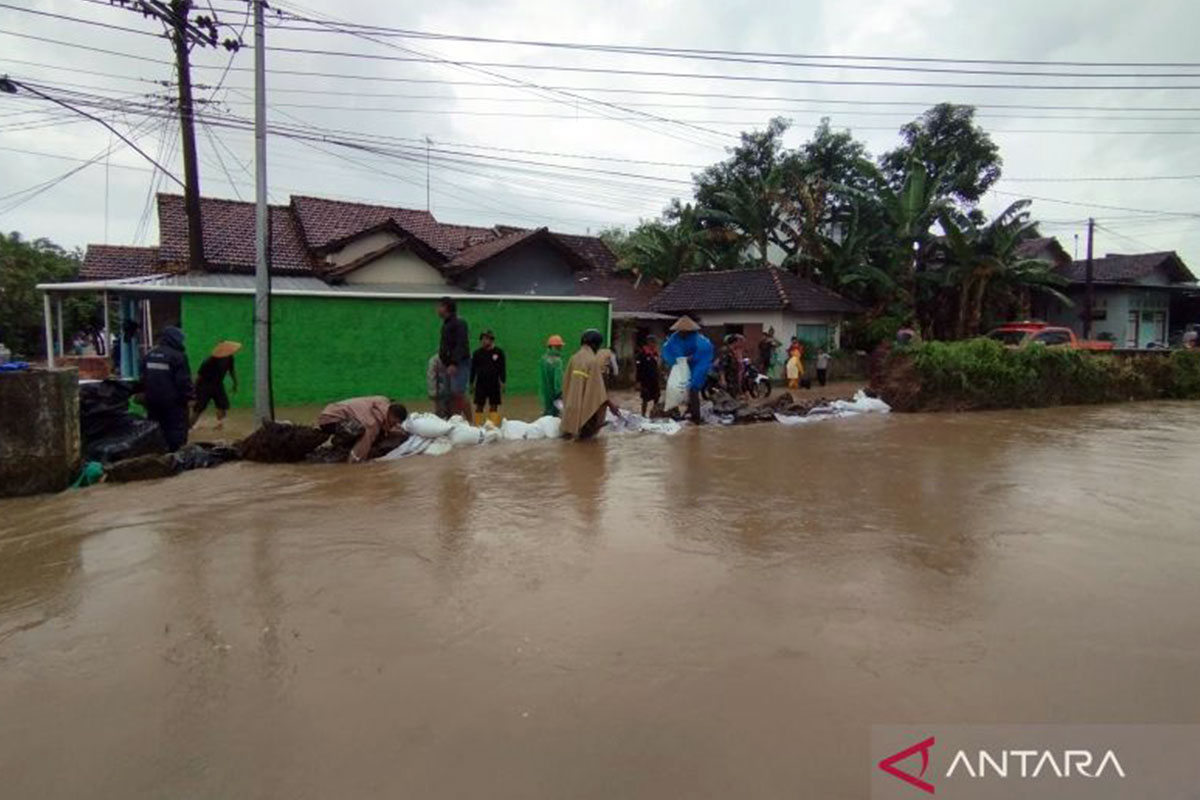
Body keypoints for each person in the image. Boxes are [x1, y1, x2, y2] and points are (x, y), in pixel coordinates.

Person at [141, 325, 193, 452]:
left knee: (156, 429)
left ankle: (157, 455)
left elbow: (143, 378)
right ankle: (175, 458)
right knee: (176, 431)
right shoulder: (178, 356)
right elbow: (183, 382)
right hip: (173, 403)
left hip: (152, 401)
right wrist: (190, 397)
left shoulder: (149, 355)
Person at [317, 396, 408, 463]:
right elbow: (363, 444)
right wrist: (355, 461)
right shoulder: (371, 423)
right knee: (359, 429)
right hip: (329, 419)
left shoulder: (382, 401)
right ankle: (339, 442)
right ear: (390, 414)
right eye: (394, 422)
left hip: (334, 409)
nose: (394, 425)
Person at [660, 315, 714, 424]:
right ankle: (687, 411)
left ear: (689, 331)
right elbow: (671, 352)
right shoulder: (675, 339)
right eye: (680, 331)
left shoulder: (700, 341)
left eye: (683, 331)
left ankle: (696, 417)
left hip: (699, 365)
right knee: (679, 387)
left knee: (693, 387)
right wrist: (682, 360)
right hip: (685, 365)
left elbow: (703, 354)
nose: (681, 333)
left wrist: (689, 358)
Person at [561, 329, 611, 440]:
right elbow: (598, 393)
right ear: (594, 344)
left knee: (569, 441)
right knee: (587, 443)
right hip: (586, 412)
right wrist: (610, 405)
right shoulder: (592, 361)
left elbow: (566, 383)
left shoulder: (573, 358)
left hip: (571, 407)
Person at [191, 340, 240, 430]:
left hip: (218, 385)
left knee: (222, 405)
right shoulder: (210, 360)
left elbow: (231, 370)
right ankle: (189, 426)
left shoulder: (230, 358)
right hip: (204, 386)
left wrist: (235, 383)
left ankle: (219, 424)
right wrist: (193, 390)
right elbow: (199, 376)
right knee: (199, 408)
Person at [437, 297, 470, 418]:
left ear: (446, 307)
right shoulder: (446, 324)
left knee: (459, 394)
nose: (437, 309)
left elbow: (461, 344)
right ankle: (454, 420)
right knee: (451, 395)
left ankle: (470, 423)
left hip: (459, 364)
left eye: (439, 306)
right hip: (448, 364)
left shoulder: (459, 323)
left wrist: (454, 363)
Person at [470, 329, 507, 426]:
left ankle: (492, 426)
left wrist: (503, 382)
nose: (484, 341)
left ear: (491, 340)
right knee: (479, 405)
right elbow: (473, 369)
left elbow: (502, 368)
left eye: (486, 339)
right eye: (482, 339)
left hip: (494, 383)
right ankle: (478, 426)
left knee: (494, 405)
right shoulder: (477, 353)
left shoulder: (498, 352)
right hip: (480, 384)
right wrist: (471, 383)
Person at [538, 335, 566, 417]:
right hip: (554, 394)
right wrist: (560, 393)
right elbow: (558, 380)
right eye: (559, 346)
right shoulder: (557, 361)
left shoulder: (543, 359)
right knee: (555, 416)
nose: (560, 348)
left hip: (544, 392)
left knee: (546, 414)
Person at [634, 335, 661, 416]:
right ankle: (643, 414)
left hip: (654, 379)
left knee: (657, 396)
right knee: (645, 398)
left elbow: (657, 366)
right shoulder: (642, 353)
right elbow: (638, 368)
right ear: (648, 342)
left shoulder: (655, 353)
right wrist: (638, 381)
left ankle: (654, 413)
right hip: (645, 380)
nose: (654, 344)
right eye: (652, 342)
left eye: (655, 343)